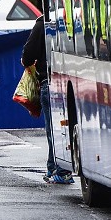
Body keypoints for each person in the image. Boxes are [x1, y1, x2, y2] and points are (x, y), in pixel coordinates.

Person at [22, 16, 73, 184]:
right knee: (62, 128)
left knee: (54, 130)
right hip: (76, 82)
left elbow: (28, 56)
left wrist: (28, 62)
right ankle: (54, 168)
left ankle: (59, 169)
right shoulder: (72, 19)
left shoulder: (42, 23)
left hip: (49, 82)